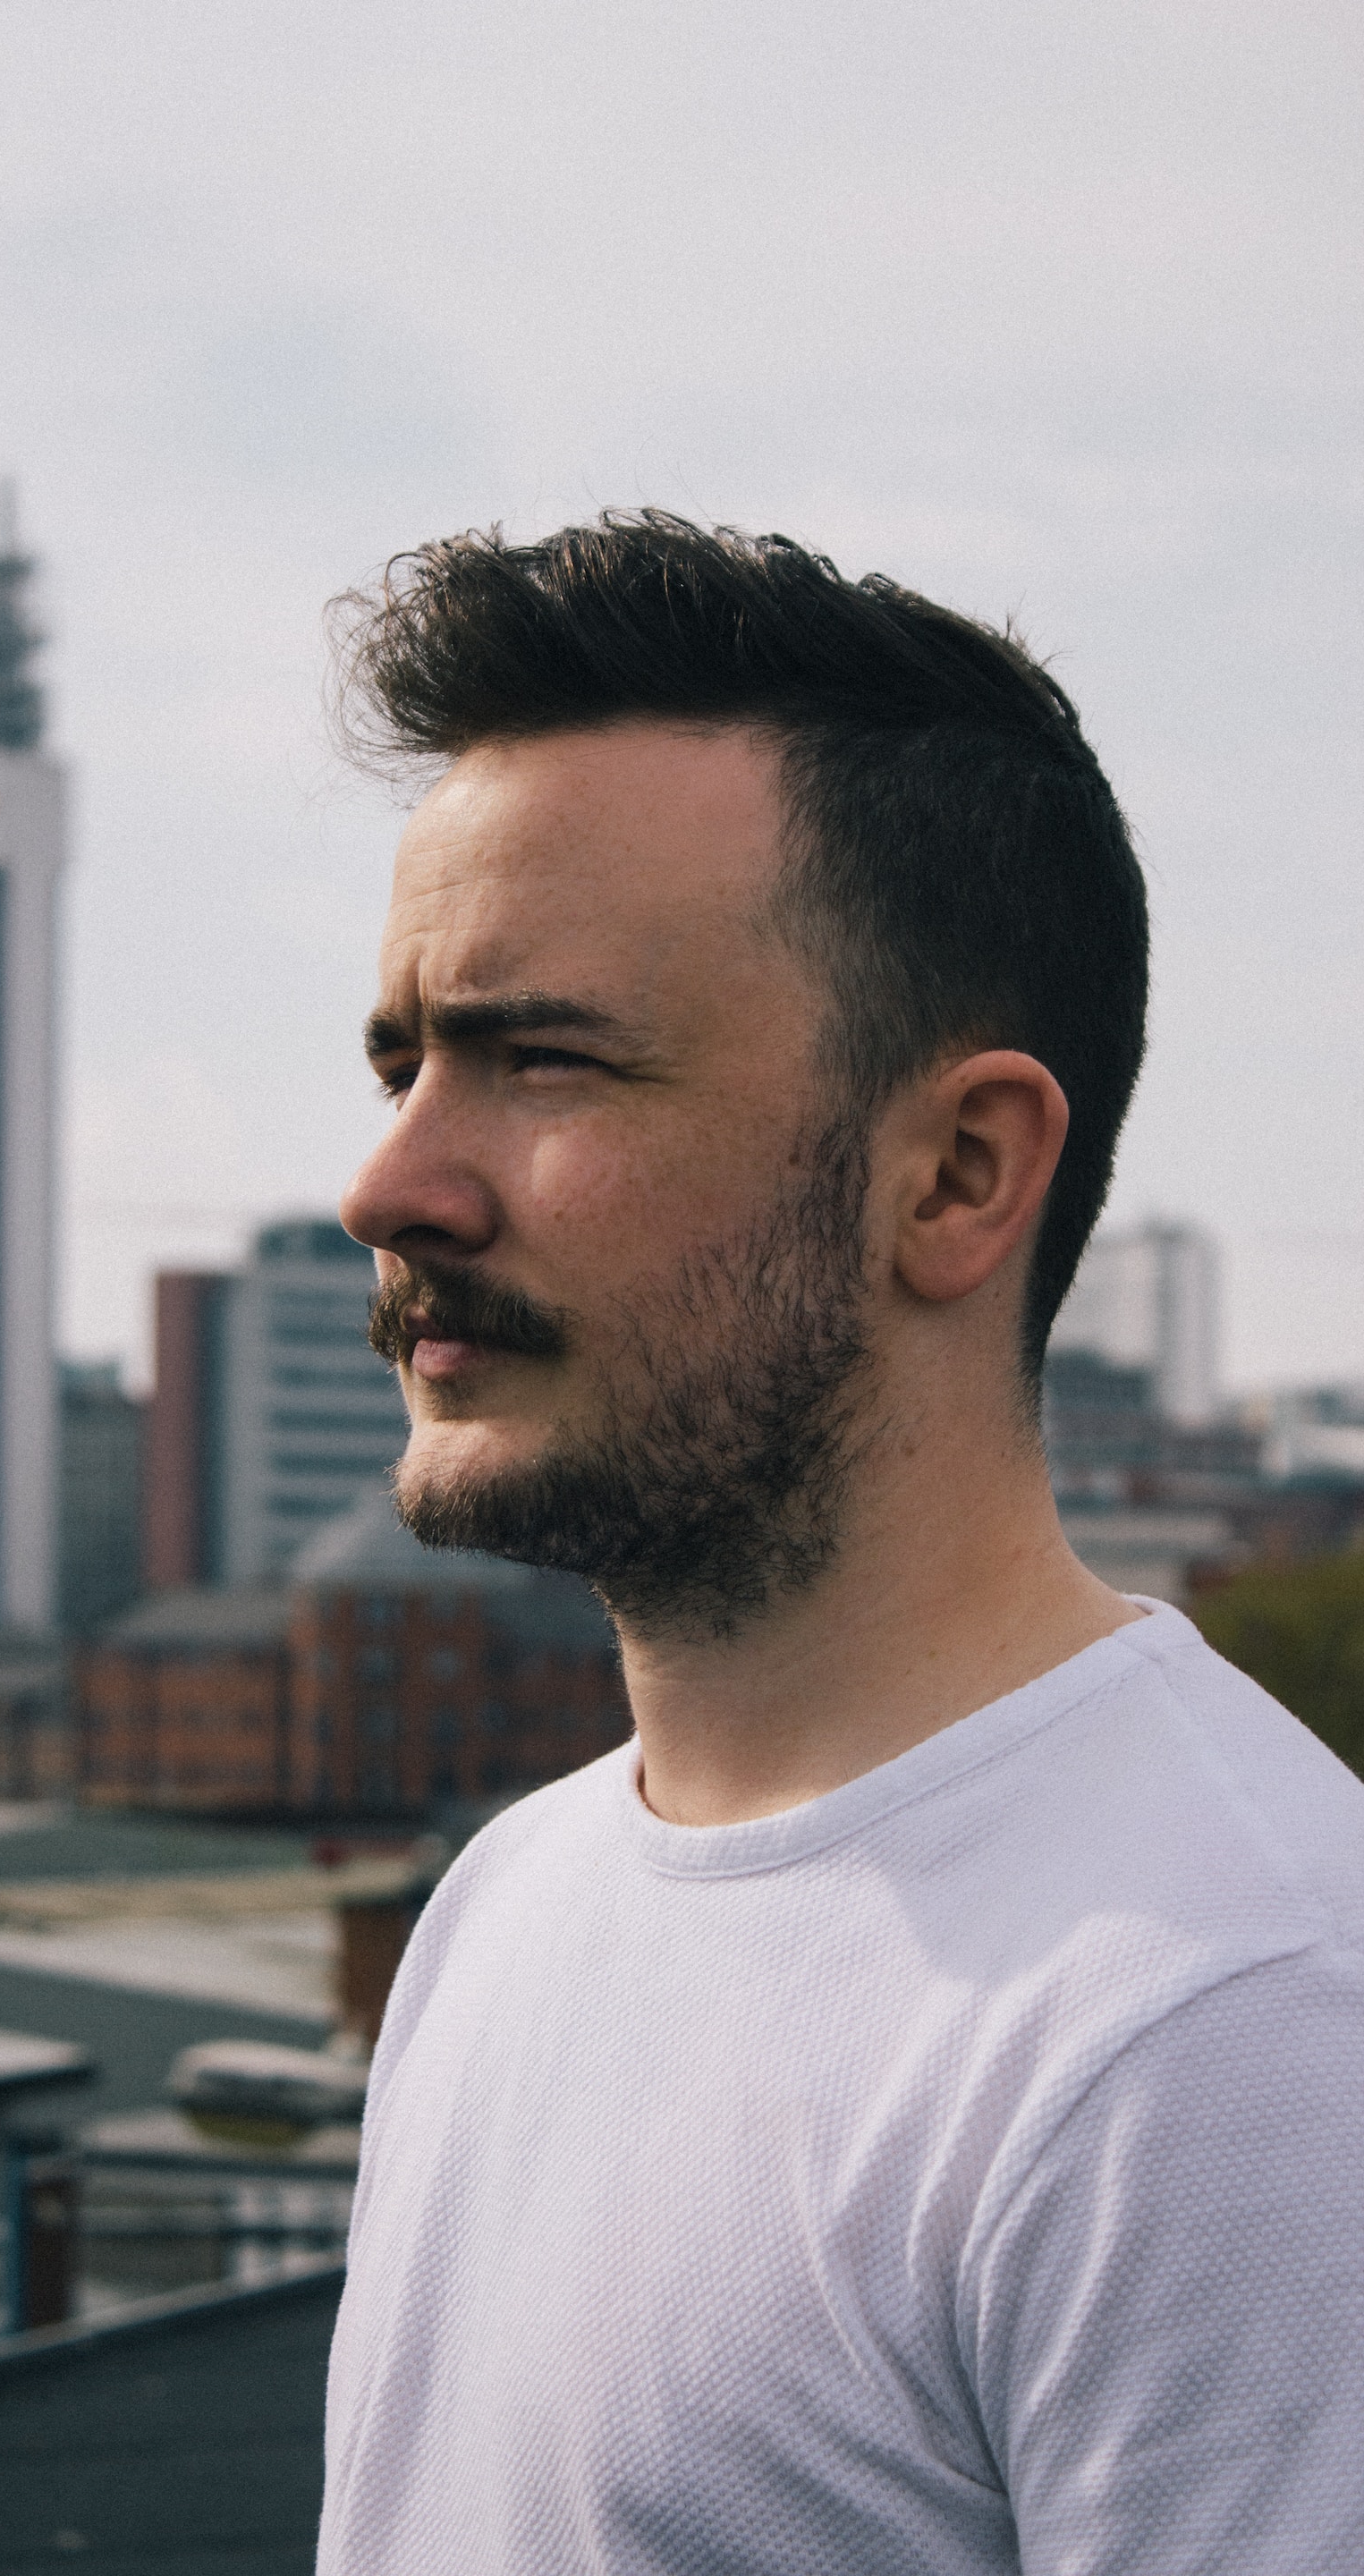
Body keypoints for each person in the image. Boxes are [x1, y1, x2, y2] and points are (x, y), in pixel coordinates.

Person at [314, 514, 1364, 2573]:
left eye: (545, 1058)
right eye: (401, 1059)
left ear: (958, 1173)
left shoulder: (1233, 2036)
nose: (394, 1181)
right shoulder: (501, 1910)